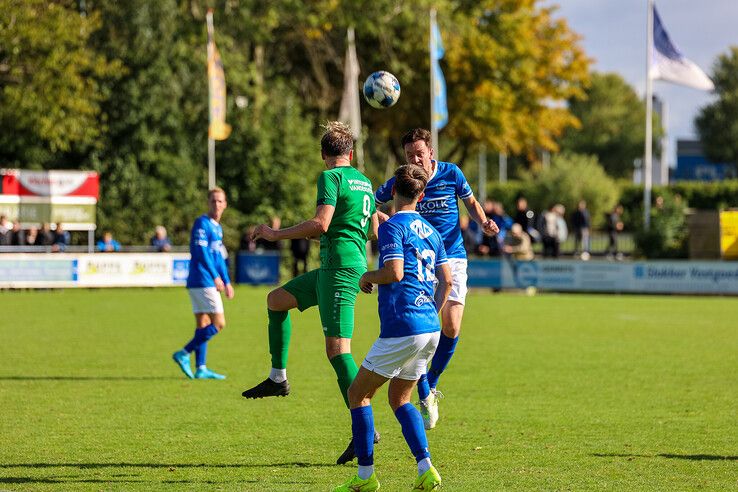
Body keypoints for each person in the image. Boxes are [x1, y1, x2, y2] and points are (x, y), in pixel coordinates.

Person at [240, 122, 379, 464]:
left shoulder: (330, 177)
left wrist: (275, 234)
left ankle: (365, 427)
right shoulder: (365, 182)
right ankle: (278, 378)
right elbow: (373, 229)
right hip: (341, 265)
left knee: (337, 350)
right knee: (276, 301)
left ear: (323, 155)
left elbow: (321, 223)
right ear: (351, 153)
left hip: (339, 270)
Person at [333, 165, 452, 492]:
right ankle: (426, 468)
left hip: (404, 325)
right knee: (400, 398)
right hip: (429, 326)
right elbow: (448, 281)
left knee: (358, 394)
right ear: (422, 195)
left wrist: (367, 277)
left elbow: (395, 272)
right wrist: (430, 314)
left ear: (392, 191)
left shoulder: (392, 226)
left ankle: (366, 477)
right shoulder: (432, 230)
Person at [374, 128, 498, 431]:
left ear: (431, 153)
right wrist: (381, 221)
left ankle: (429, 382)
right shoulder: (403, 182)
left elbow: (470, 202)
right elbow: (372, 202)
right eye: (409, 155)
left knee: (452, 325)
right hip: (419, 261)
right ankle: (415, 380)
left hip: (452, 257)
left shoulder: (451, 173)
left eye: (419, 153)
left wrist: (483, 222)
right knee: (422, 326)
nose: (415, 159)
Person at [172, 187, 234, 380]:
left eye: (219, 201)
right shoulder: (202, 223)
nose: (216, 204)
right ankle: (184, 353)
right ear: (208, 203)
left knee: (203, 323)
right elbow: (201, 253)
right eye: (213, 201)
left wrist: (227, 281)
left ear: (225, 204)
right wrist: (216, 277)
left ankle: (201, 367)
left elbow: (218, 257)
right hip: (202, 280)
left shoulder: (217, 227)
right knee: (219, 323)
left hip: (204, 280)